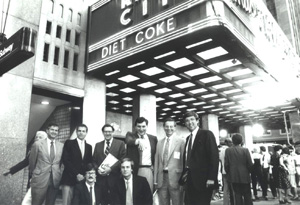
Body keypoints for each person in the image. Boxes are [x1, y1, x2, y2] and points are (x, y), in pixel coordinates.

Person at [180, 111, 219, 205]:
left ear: (197, 121)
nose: (190, 122)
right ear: (185, 124)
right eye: (187, 121)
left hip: (204, 181)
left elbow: (214, 157)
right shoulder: (188, 138)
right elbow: (187, 159)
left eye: (192, 119)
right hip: (189, 181)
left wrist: (211, 178)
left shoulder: (207, 134)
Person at [29, 123, 64, 205]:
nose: (54, 132)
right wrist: (35, 174)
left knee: (51, 203)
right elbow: (32, 162)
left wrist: (59, 173)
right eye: (52, 129)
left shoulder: (61, 146)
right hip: (39, 179)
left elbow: (61, 163)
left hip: (54, 180)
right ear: (47, 131)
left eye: (56, 130)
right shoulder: (37, 144)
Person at [154, 118, 185, 205]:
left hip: (176, 178)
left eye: (171, 126)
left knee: (177, 202)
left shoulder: (181, 142)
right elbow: (156, 161)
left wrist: (182, 180)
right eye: (166, 126)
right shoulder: (159, 143)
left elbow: (183, 161)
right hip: (161, 178)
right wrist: (155, 180)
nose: (169, 128)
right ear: (163, 127)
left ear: (175, 128)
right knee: (163, 202)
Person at [93, 124, 126, 204]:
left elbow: (122, 159)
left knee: (116, 201)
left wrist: (110, 169)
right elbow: (94, 161)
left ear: (113, 132)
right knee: (103, 201)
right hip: (101, 180)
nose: (107, 133)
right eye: (105, 131)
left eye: (109, 131)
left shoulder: (120, 143)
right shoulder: (98, 145)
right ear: (103, 132)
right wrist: (98, 169)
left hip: (115, 179)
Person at [60, 124, 93, 205]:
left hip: (82, 180)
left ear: (86, 133)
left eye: (83, 131)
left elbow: (88, 162)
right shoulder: (69, 143)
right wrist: (76, 174)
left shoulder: (89, 147)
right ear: (76, 132)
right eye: (79, 131)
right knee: (66, 203)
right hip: (69, 178)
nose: (81, 133)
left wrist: (85, 175)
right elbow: (66, 160)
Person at [125, 117, 158, 192]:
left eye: (143, 126)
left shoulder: (153, 139)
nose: (141, 129)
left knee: (148, 192)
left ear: (147, 126)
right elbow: (128, 140)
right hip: (135, 170)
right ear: (135, 127)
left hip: (149, 170)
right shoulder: (130, 135)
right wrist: (138, 140)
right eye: (139, 126)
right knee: (135, 193)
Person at [225, 133, 253, 205]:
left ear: (233, 141)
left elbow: (226, 165)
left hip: (233, 176)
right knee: (247, 195)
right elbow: (250, 164)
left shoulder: (228, 150)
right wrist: (249, 172)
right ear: (241, 141)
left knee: (237, 195)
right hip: (245, 176)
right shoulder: (245, 150)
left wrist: (229, 173)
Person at [21, 131, 48, 205]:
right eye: (36, 137)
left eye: (40, 137)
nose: (37, 138)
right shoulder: (32, 150)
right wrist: (11, 170)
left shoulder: (46, 151)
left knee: (27, 202)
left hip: (41, 181)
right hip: (33, 180)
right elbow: (25, 162)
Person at [219, 137, 234, 205]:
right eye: (230, 142)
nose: (231, 143)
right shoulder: (229, 150)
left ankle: (226, 203)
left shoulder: (221, 150)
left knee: (226, 189)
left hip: (223, 171)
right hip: (229, 171)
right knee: (232, 188)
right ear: (227, 142)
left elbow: (220, 160)